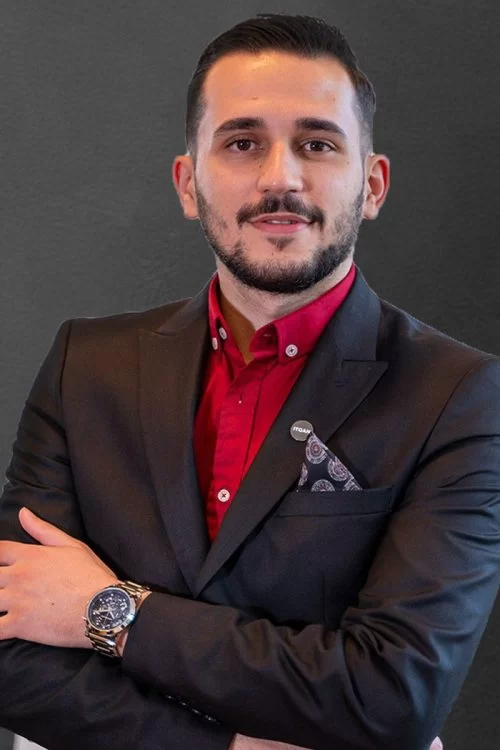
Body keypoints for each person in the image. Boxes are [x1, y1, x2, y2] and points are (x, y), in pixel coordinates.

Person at [0, 12, 498, 750]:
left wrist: (108, 609)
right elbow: (10, 643)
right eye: (242, 143)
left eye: (317, 143)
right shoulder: (86, 365)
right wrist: (226, 747)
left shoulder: (459, 395)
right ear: (188, 183)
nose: (280, 178)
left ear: (372, 184)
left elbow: (395, 696)